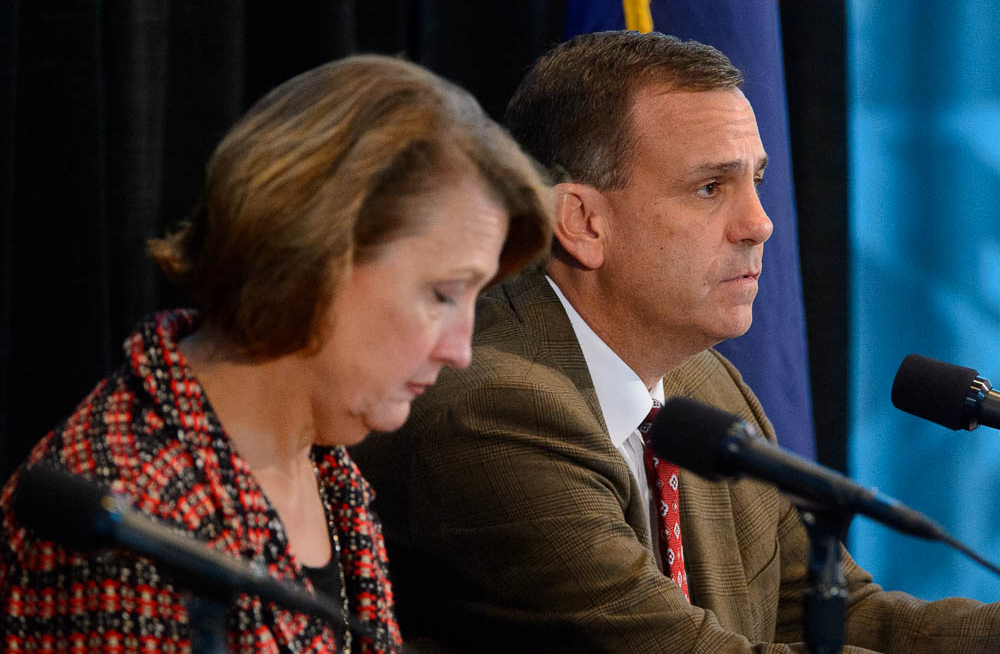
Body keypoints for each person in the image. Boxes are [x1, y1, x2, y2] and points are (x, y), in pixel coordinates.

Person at [350, 32, 1000, 652]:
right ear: (581, 221)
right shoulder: (494, 410)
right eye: (711, 187)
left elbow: (836, 615)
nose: (761, 223)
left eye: (757, 180)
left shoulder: (707, 387)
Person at [0, 54, 551, 652]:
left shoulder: (323, 456)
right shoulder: (128, 510)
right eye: (443, 294)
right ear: (311, 256)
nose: (462, 350)